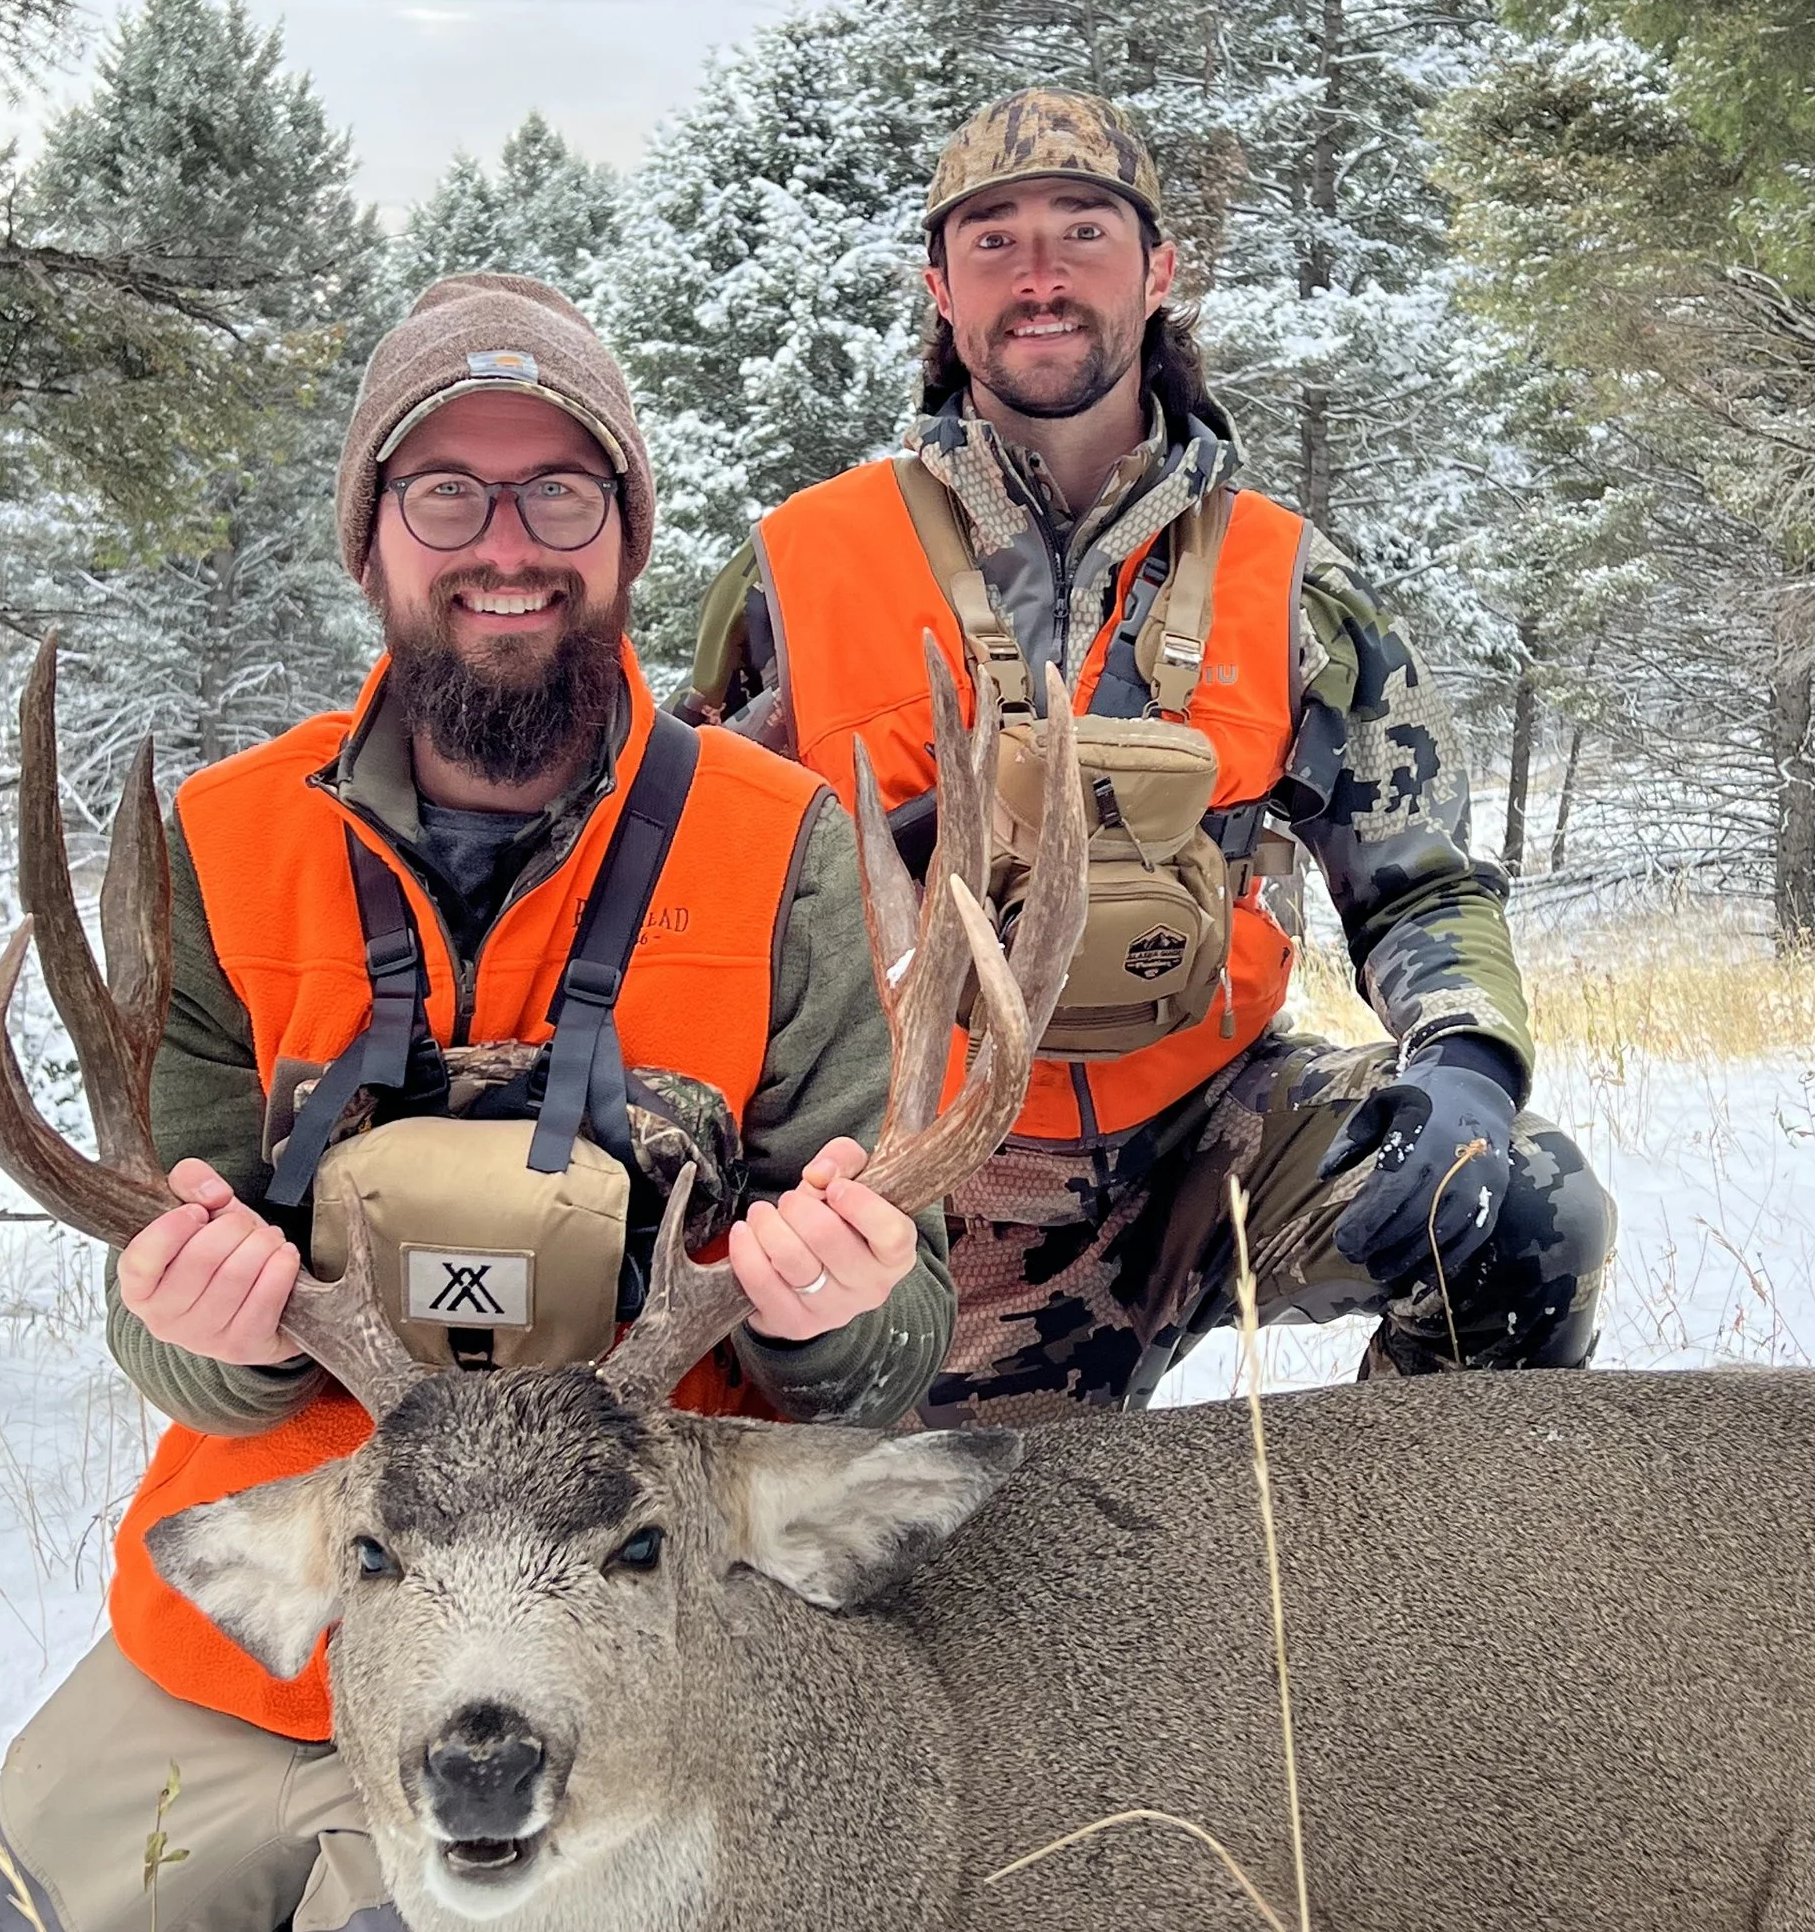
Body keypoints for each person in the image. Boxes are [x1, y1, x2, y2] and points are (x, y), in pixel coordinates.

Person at [0, 273, 950, 1932]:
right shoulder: (218, 842)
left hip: (601, 1660)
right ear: (368, 535)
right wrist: (189, 1330)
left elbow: (896, 1323)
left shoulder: (781, 843)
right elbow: (160, 1299)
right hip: (275, 1609)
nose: (506, 546)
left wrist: (832, 1304)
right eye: (445, 494)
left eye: (561, 494)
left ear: (628, 533)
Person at [688, 90, 1613, 1415]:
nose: (1042, 276)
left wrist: (1465, 1064)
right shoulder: (799, 569)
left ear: (1159, 274)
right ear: (941, 289)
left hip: (1200, 1145)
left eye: (1085, 233)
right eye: (995, 242)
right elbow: (680, 867)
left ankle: (1419, 1585)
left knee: (1525, 1201)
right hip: (913, 1189)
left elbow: (1422, 884)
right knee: (945, 1572)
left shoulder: (1286, 579)